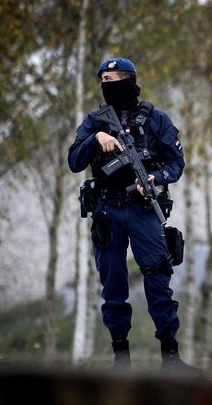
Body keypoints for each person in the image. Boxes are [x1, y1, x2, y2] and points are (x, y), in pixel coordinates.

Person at [68, 56, 199, 374]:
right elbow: (74, 160)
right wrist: (95, 139)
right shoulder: (95, 121)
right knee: (113, 285)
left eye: (113, 80)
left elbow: (176, 164)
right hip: (107, 209)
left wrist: (154, 179)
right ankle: (120, 361)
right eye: (104, 81)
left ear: (130, 79)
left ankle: (171, 358)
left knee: (158, 280)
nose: (107, 86)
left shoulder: (156, 119)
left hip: (143, 210)